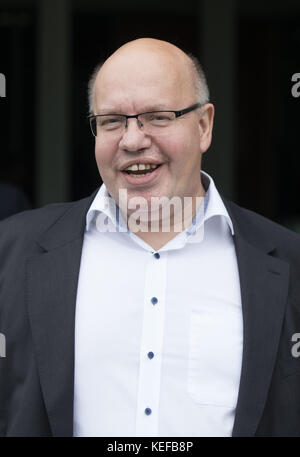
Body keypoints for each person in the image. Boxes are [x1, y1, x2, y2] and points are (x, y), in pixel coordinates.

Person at [0, 38, 300, 438]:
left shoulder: (288, 264)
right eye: (111, 121)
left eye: (157, 117)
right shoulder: (11, 253)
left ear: (204, 126)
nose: (132, 140)